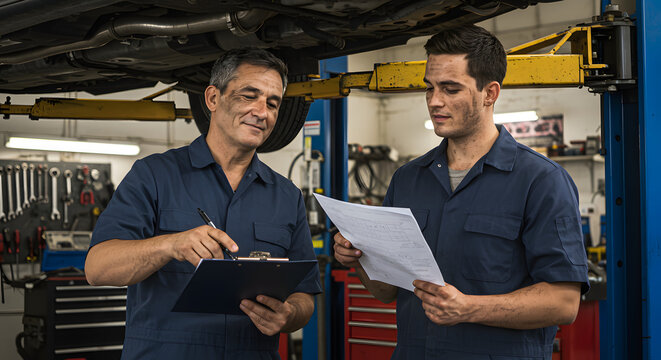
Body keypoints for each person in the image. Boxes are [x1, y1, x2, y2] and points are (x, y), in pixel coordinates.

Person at [334, 25, 589, 359]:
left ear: (490, 93)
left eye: (451, 89)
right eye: (430, 88)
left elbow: (563, 303)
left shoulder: (541, 181)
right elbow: (385, 291)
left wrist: (469, 308)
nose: (434, 101)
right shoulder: (408, 179)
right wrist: (357, 258)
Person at [85, 48, 321, 359]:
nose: (262, 111)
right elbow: (98, 268)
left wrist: (289, 314)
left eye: (272, 103)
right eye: (249, 96)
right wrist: (170, 245)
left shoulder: (287, 196)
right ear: (213, 98)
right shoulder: (154, 175)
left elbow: (304, 294)